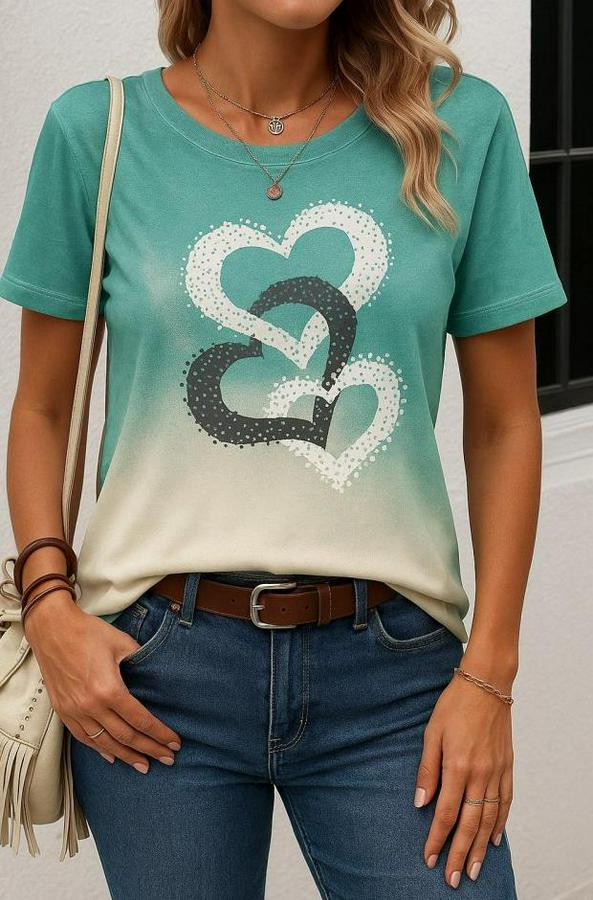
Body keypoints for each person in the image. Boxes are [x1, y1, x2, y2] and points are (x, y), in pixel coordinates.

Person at [0, 1, 567, 897]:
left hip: (396, 678)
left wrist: (490, 673)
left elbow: (503, 422)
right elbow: (41, 409)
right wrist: (48, 606)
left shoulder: (459, 125)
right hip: (153, 670)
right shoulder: (97, 131)